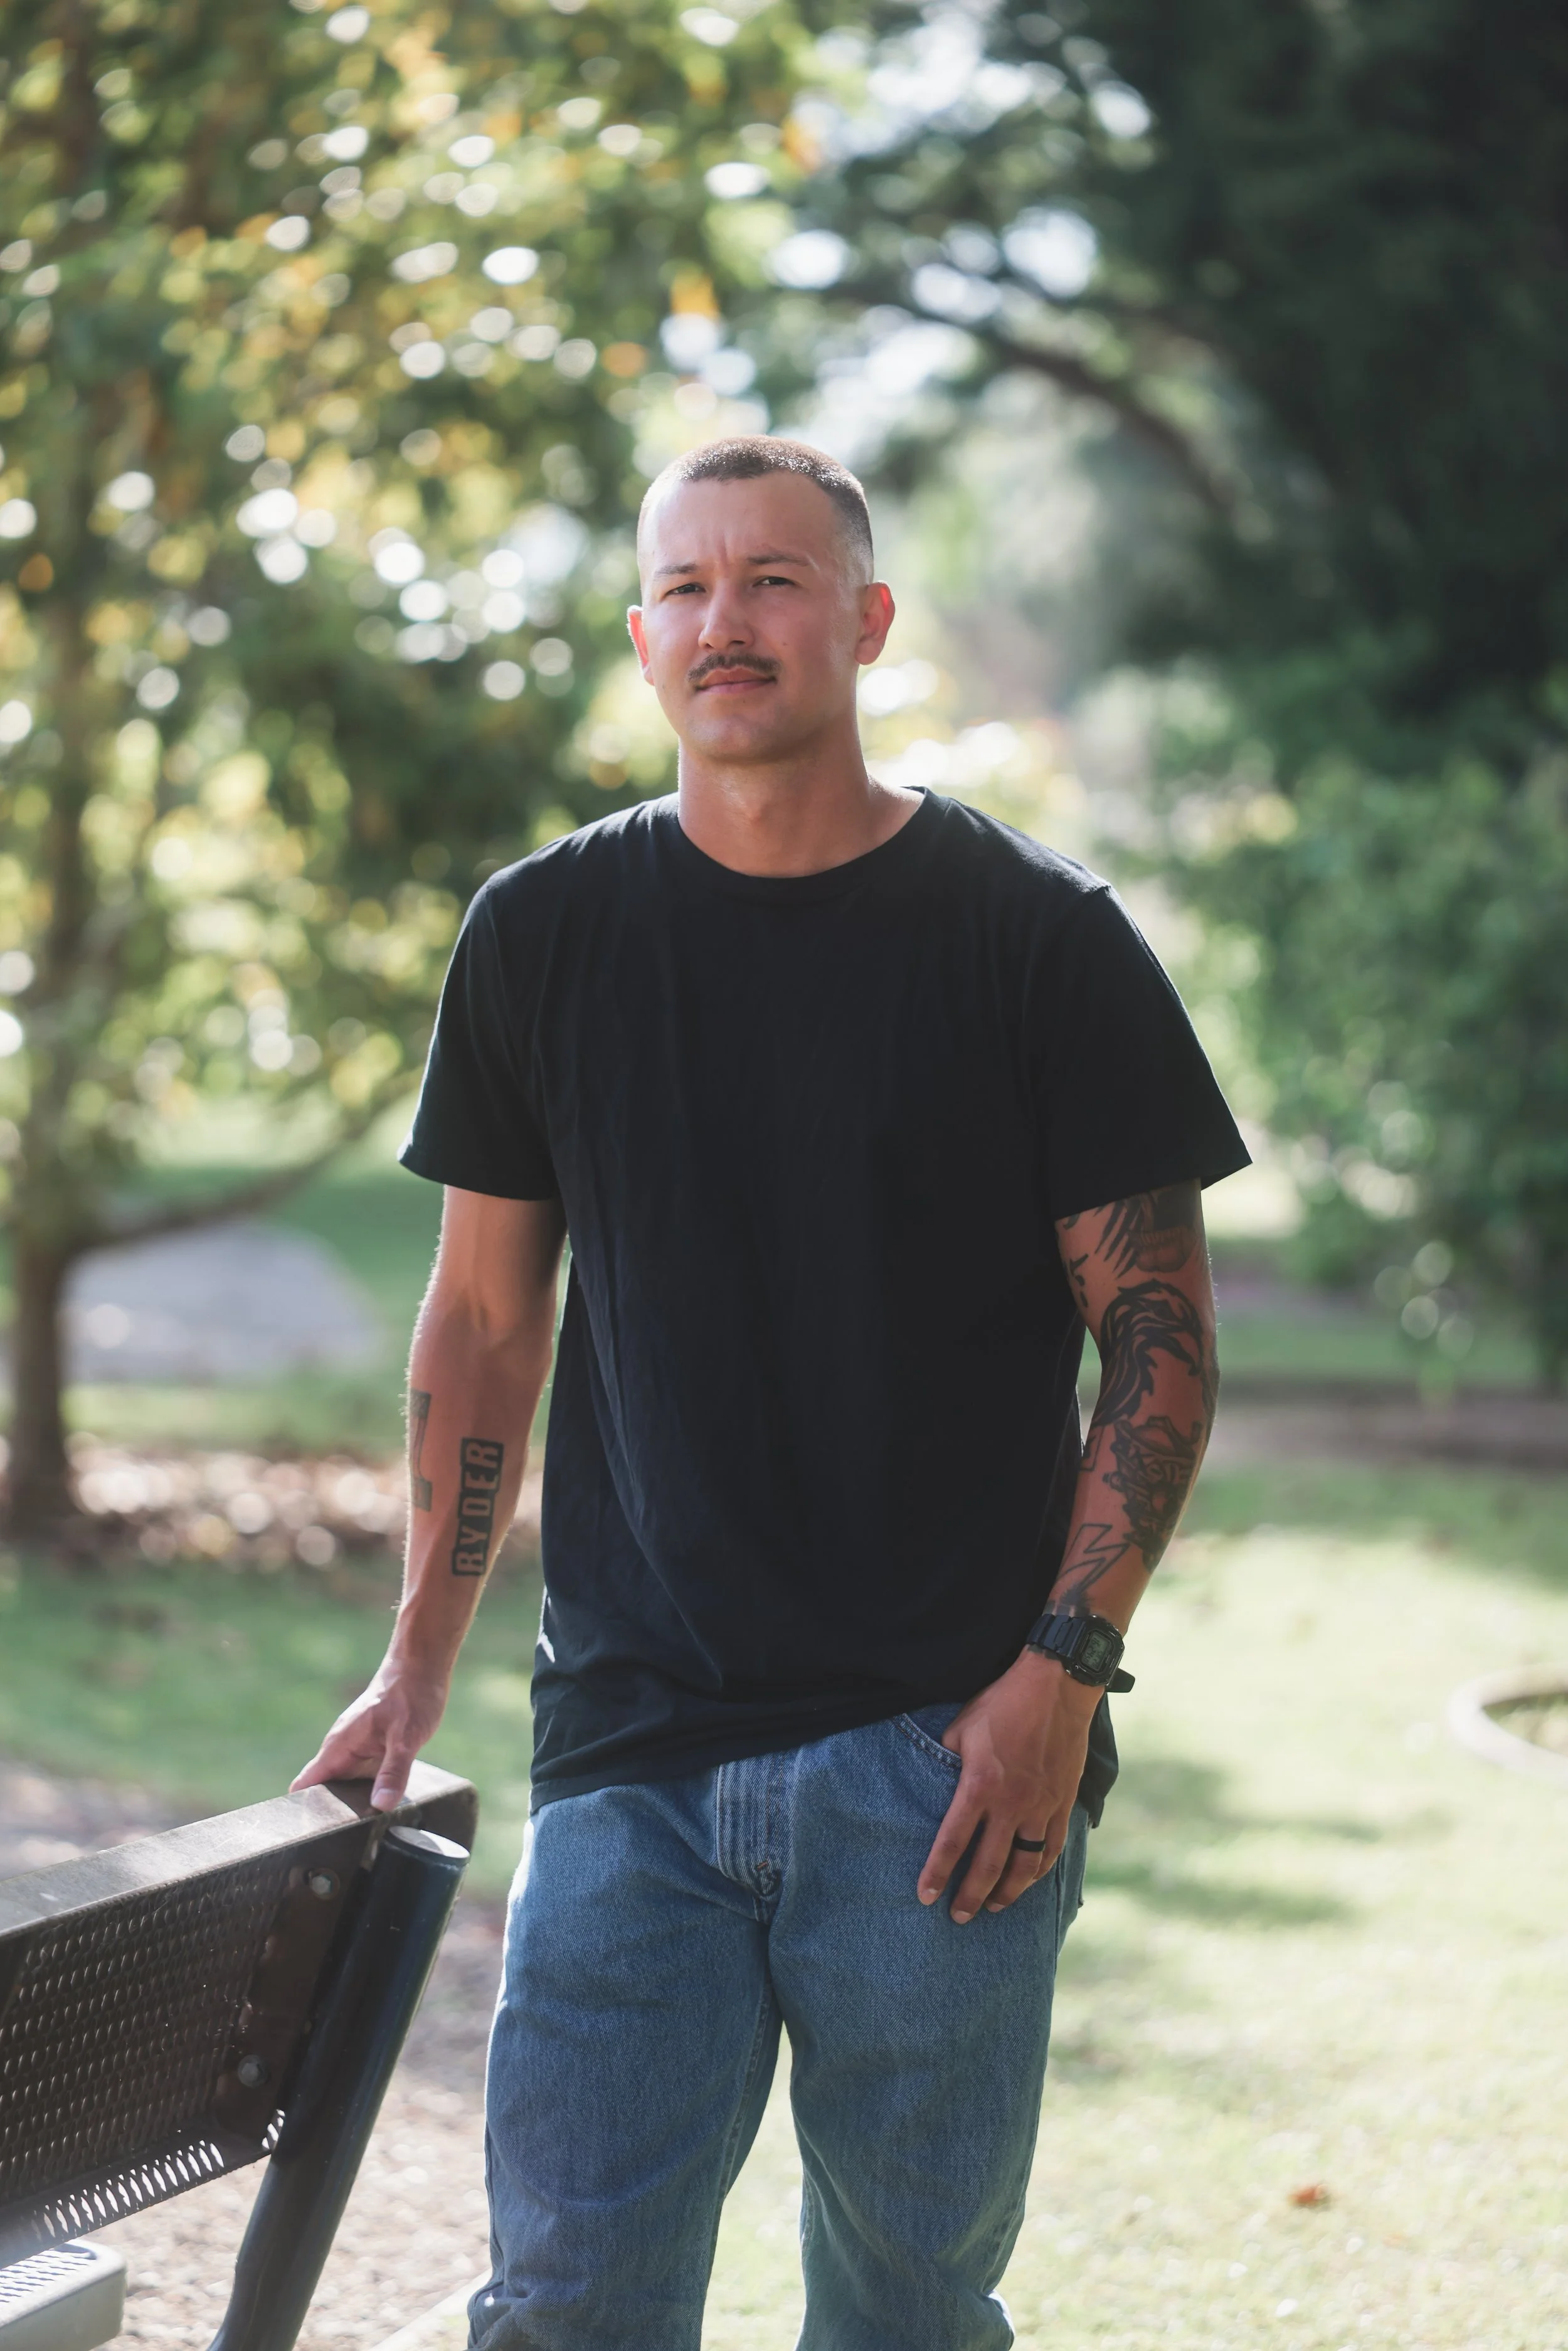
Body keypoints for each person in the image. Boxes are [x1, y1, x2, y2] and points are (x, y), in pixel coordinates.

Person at [293, 436, 1250, 2350]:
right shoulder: (543, 936)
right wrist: (417, 1657)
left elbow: (1157, 1333)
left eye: (774, 580)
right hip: (629, 1753)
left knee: (904, 2314)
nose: (724, 621)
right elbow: (485, 1325)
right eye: (684, 588)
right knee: (567, 2307)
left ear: (868, 620)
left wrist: (1058, 1681)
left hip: (943, 1768)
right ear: (642, 638)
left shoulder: (1033, 938)